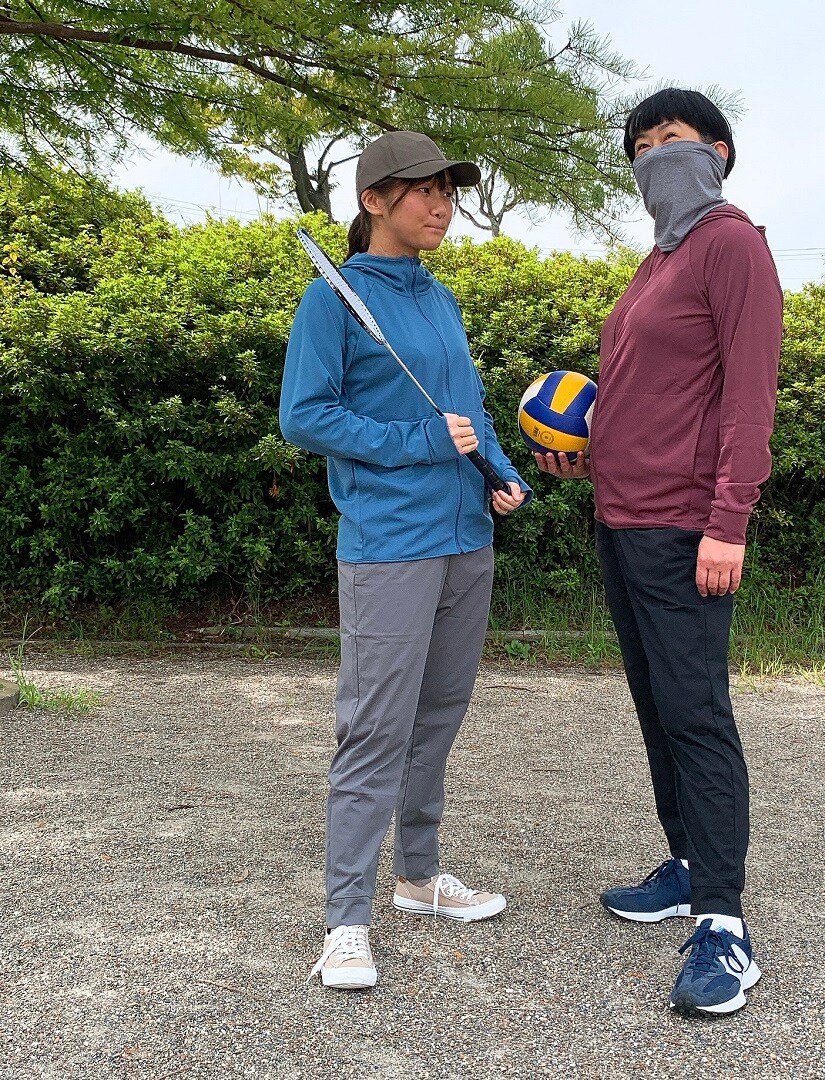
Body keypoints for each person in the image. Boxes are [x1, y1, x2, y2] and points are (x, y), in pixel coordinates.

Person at [535, 89, 783, 1016]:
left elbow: (748, 398)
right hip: (623, 518)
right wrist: (590, 453)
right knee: (657, 710)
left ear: (718, 151)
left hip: (686, 528)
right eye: (639, 147)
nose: (653, 157)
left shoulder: (732, 244)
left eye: (670, 139)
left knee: (697, 716)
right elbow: (651, 395)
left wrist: (729, 521)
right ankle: (684, 866)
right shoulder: (658, 262)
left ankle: (724, 924)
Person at [279, 131, 529, 990]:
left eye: (448, 191)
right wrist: (417, 440)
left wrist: (502, 473)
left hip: (467, 540)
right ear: (375, 200)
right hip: (390, 547)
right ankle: (346, 920)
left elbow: (469, 412)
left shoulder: (440, 298)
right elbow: (306, 416)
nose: (441, 205)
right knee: (375, 728)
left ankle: (418, 878)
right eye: (423, 190)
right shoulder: (333, 302)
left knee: (439, 718)